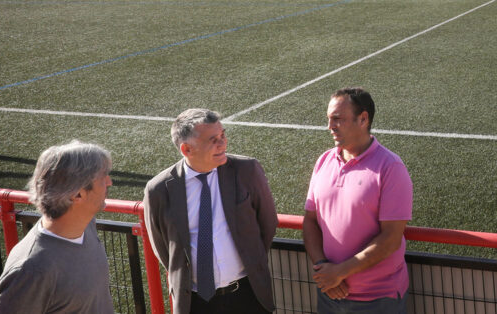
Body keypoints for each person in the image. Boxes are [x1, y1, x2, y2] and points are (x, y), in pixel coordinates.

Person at [144, 109, 278, 314]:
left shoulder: (246, 170)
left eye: (223, 135)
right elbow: (163, 248)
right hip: (196, 303)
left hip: (248, 295)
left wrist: (253, 259)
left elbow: (267, 223)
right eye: (213, 139)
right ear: (187, 149)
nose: (222, 143)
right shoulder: (159, 190)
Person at [304, 88, 413, 314]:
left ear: (363, 119)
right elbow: (310, 221)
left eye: (338, 119)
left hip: (378, 300)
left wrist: (340, 272)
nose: (330, 126)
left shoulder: (391, 168)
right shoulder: (324, 161)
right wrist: (325, 269)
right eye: (329, 119)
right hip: (330, 294)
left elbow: (391, 238)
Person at [0, 141, 114, 314]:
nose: (109, 182)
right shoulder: (31, 270)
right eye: (103, 176)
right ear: (77, 194)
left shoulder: (86, 226)